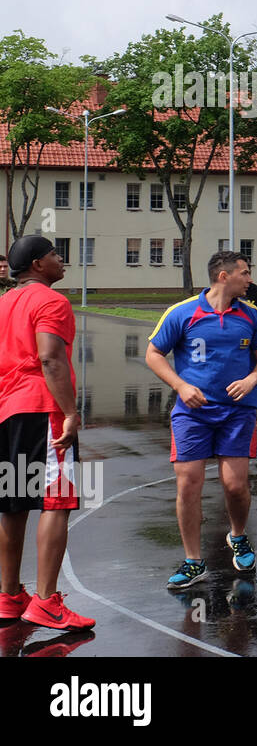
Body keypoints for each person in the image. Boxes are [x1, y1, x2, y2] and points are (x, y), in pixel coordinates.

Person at [146, 251, 257, 589]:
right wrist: (180, 385)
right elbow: (153, 353)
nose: (249, 280)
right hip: (193, 414)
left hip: (237, 413)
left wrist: (251, 380)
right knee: (188, 484)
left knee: (235, 486)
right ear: (224, 276)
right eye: (245, 274)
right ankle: (193, 561)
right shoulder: (182, 312)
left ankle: (239, 535)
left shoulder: (251, 314)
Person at [0, 236, 94, 631]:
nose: (61, 260)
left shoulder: (3, 303)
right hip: (43, 409)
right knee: (58, 502)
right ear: (38, 264)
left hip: (8, 410)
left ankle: (8, 597)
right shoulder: (51, 301)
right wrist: (70, 413)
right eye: (56, 254)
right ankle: (46, 601)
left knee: (13, 503)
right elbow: (50, 358)